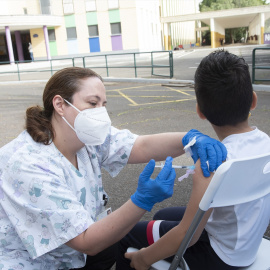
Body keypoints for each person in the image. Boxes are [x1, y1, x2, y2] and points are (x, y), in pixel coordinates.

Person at [0, 67, 226, 270]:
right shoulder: (29, 165)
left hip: (74, 250)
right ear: (60, 105)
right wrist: (142, 200)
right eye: (92, 103)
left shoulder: (85, 138)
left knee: (117, 242)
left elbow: (140, 145)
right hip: (36, 262)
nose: (100, 113)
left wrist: (189, 139)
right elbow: (86, 241)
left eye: (103, 104)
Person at [122, 50, 270, 270]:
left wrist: (143, 258)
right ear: (253, 101)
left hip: (220, 257)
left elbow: (187, 235)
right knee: (163, 214)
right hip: (246, 242)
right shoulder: (265, 142)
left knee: (127, 236)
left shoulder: (212, 162)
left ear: (200, 111)